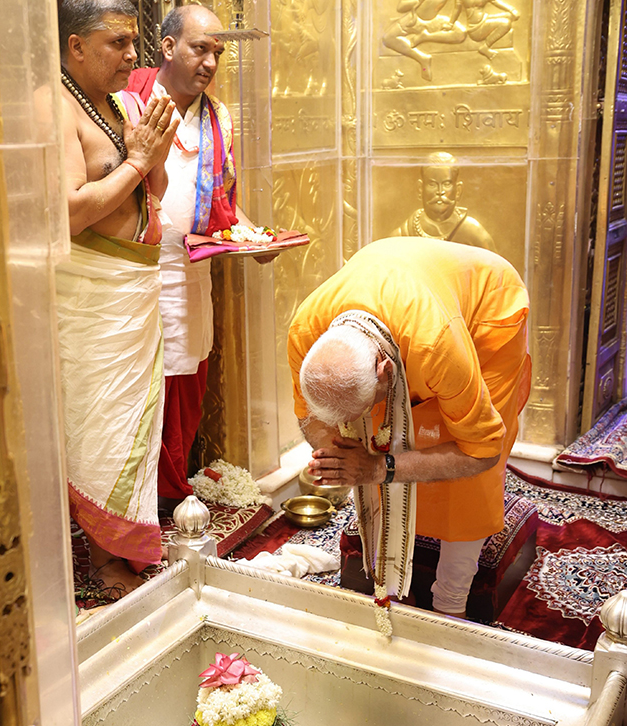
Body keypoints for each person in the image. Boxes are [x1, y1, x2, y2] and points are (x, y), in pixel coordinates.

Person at [287, 238, 531, 618]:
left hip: (486, 313)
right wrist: (339, 456)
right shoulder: (305, 333)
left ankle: (451, 602)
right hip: (408, 308)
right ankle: (392, 585)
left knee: (465, 463)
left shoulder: (437, 346)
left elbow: (481, 451)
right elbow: (312, 417)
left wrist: (376, 468)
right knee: (372, 445)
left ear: (385, 370)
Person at [128, 4, 273, 512]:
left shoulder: (219, 116)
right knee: (144, 388)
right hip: (138, 271)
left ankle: (170, 496)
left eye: (218, 51)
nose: (211, 62)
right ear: (168, 48)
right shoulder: (132, 98)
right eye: (200, 48)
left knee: (188, 382)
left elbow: (224, 206)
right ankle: (138, 501)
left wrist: (254, 240)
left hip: (194, 271)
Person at [56, 0, 178, 596]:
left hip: (134, 291)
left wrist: (149, 160)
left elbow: (157, 186)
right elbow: (72, 212)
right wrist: (136, 162)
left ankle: (125, 544)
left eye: (136, 42)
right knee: (100, 424)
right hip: (92, 298)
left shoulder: (121, 101)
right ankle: (104, 563)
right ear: (75, 45)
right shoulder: (53, 106)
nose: (135, 56)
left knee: (136, 422)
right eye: (119, 43)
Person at [392, 152, 496, 251]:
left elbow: (497, 267)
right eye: (432, 185)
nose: (440, 192)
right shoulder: (403, 235)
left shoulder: (473, 232)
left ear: (458, 190)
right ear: (420, 189)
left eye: (447, 184)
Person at [383, 0, 466, 83]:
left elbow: (458, 7)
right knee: (388, 38)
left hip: (435, 21)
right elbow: (400, 7)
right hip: (414, 20)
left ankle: (425, 36)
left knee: (461, 33)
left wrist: (450, 24)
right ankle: (422, 58)